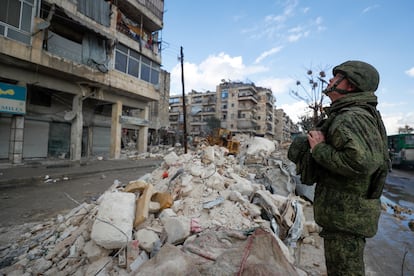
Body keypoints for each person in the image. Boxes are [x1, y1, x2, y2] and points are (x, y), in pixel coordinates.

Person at [289, 60, 389, 275]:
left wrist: (319, 149)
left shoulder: (351, 117)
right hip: (345, 217)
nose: (331, 80)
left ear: (350, 85)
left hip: (346, 219)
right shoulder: (353, 114)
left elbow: (362, 162)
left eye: (337, 77)